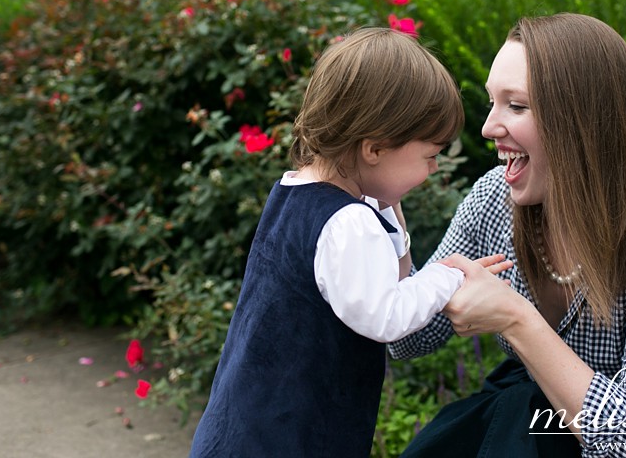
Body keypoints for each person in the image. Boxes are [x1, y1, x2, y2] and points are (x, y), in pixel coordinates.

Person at [389, 13, 626, 457]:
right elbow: (407, 336)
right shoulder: (495, 198)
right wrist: (386, 209)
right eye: (492, 102)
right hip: (537, 415)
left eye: (516, 105)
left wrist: (517, 318)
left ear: (582, 122)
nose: (488, 128)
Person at [188, 27, 508, 458]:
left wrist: (391, 219)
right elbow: (385, 316)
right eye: (429, 155)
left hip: (245, 425)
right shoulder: (348, 222)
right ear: (374, 149)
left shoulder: (295, 190)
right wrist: (445, 276)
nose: (432, 169)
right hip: (292, 437)